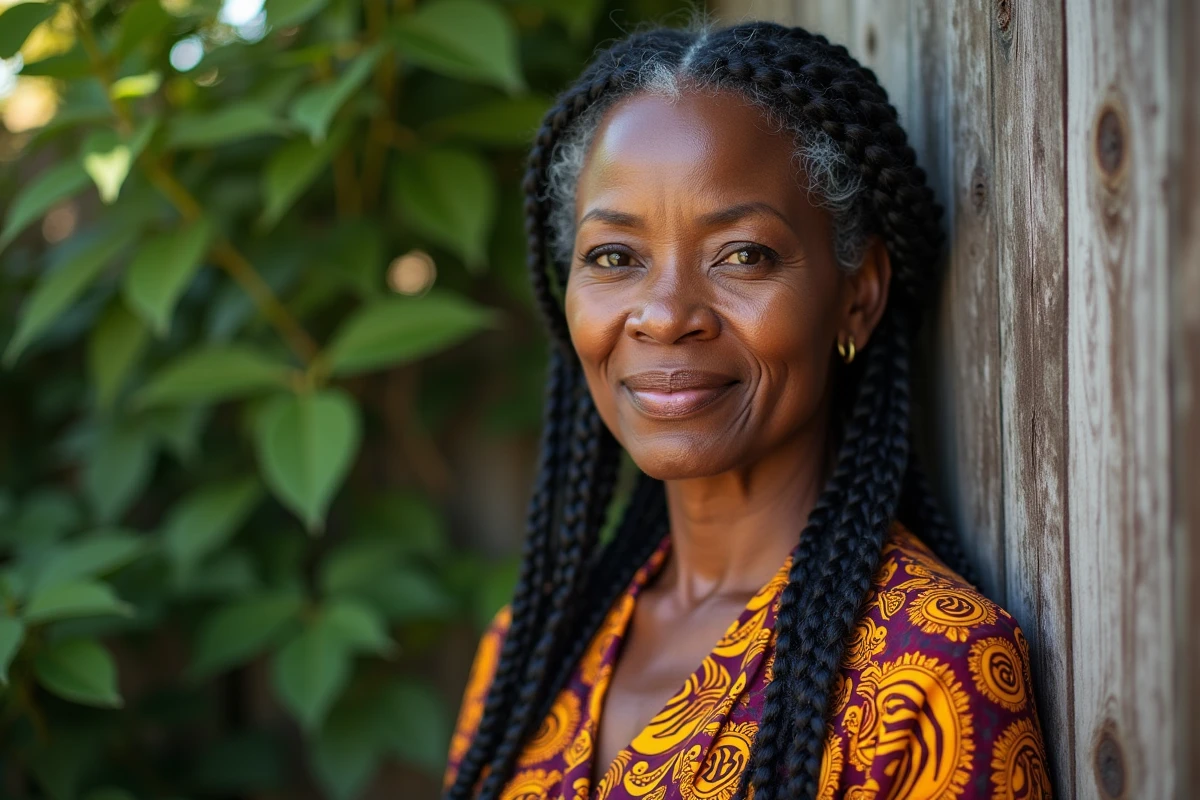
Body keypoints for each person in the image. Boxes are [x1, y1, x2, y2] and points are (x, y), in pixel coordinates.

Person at [442, 20, 1051, 800]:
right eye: (615, 257)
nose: (665, 316)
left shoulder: (930, 671)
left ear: (858, 296)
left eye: (742, 255)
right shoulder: (528, 656)